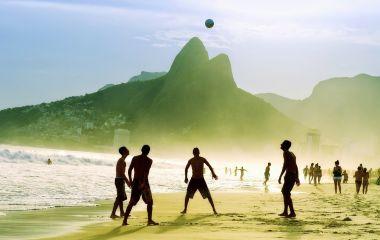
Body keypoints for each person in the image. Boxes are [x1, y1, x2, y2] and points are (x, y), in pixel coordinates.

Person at [122, 145, 158, 226]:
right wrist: (143, 184)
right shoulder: (149, 160)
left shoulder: (135, 158)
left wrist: (131, 181)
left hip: (135, 181)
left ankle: (124, 221)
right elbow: (146, 173)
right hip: (144, 182)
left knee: (132, 202)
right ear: (148, 151)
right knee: (150, 201)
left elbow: (129, 170)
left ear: (141, 150)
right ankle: (149, 220)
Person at [181, 148, 218, 215]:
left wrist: (213, 173)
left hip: (200, 180)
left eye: (197, 153)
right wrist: (186, 177)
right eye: (195, 153)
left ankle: (214, 210)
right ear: (194, 153)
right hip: (194, 180)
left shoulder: (202, 159)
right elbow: (186, 168)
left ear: (198, 153)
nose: (196, 154)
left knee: (208, 195)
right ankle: (185, 209)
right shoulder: (191, 160)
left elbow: (209, 166)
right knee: (187, 195)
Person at [278, 140, 300, 218]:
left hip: (289, 175)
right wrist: (297, 177)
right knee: (286, 193)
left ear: (285, 146)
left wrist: (280, 176)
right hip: (292, 175)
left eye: (282, 144)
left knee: (285, 192)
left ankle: (292, 212)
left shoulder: (286, 153)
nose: (281, 145)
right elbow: (296, 166)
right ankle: (286, 211)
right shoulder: (292, 154)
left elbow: (285, 165)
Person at [110, 146, 131, 219]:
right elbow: (122, 173)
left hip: (120, 180)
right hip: (119, 180)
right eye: (127, 149)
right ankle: (113, 213)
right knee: (119, 197)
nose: (128, 150)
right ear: (124, 152)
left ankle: (122, 212)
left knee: (121, 197)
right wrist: (128, 181)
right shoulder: (121, 160)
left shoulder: (122, 160)